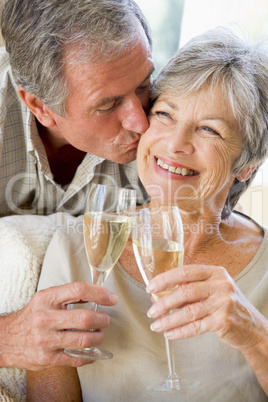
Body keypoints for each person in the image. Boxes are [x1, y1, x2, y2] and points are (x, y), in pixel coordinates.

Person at [28, 27, 268, 401]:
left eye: (209, 129)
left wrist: (256, 336)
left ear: (248, 164)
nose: (174, 144)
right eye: (165, 114)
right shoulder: (77, 250)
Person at [0, 0, 154, 371]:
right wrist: (6, 340)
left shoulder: (174, 123)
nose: (142, 124)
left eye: (145, 83)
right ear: (39, 105)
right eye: (108, 105)